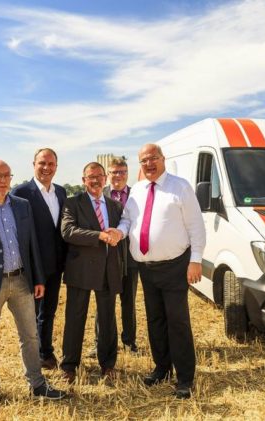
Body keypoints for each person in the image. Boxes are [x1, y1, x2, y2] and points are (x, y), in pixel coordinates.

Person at [0, 159, 66, 411]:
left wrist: (38, 278)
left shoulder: (21, 205)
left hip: (21, 281)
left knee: (30, 335)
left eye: (7, 175)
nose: (3, 180)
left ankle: (37, 384)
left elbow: (31, 245)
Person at [115, 144, 206, 399]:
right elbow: (127, 220)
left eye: (153, 158)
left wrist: (196, 260)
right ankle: (162, 368)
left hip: (175, 265)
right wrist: (119, 232)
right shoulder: (137, 190)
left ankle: (185, 378)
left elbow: (196, 226)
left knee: (177, 321)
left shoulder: (181, 187)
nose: (149, 164)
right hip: (147, 268)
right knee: (155, 320)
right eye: (144, 160)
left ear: (163, 159)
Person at [59, 162, 123, 383]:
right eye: (90, 177)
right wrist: (99, 236)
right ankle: (69, 366)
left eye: (99, 176)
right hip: (81, 269)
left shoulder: (115, 206)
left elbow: (122, 233)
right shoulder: (72, 203)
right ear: (83, 180)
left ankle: (108, 365)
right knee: (75, 317)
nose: (95, 180)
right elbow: (68, 231)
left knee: (107, 319)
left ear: (105, 178)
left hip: (108, 269)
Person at [12, 148, 67, 370]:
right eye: (42, 163)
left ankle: (45, 352)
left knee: (49, 311)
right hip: (32, 266)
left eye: (51, 164)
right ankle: (33, 356)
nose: (46, 168)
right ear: (33, 164)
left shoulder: (61, 192)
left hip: (55, 264)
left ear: (56, 167)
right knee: (31, 313)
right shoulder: (21, 192)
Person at [89, 158, 140, 357]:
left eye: (122, 172)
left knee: (129, 301)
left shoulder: (137, 195)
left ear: (127, 173)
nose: (118, 176)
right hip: (107, 257)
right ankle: (99, 342)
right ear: (107, 175)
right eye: (114, 172)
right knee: (104, 302)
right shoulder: (99, 193)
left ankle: (129, 342)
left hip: (130, 256)